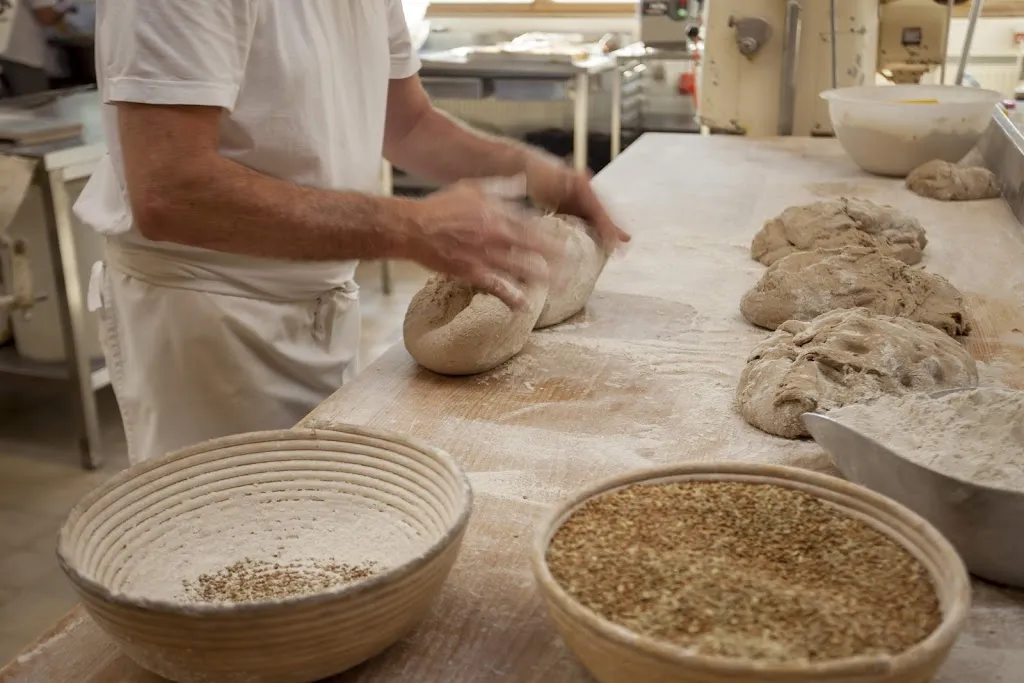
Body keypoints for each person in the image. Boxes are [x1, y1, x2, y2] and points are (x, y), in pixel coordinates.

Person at [74, 1, 630, 465]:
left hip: (318, 299)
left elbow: (407, 122)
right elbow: (172, 192)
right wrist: (405, 226)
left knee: (311, 529)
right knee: (229, 552)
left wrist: (536, 171)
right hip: (208, 318)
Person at [0, 0, 75, 95]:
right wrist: (66, 6)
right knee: (35, 103)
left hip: (6, 47)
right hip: (23, 55)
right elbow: (46, 16)